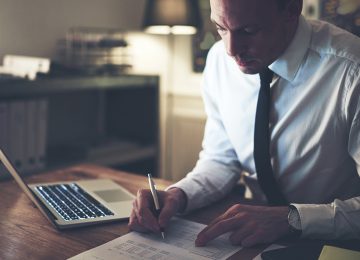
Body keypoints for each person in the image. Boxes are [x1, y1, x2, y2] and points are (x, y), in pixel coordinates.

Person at [129, 0, 360, 247]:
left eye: (248, 31)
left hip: (338, 244)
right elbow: (221, 160)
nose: (231, 49)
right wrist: (179, 194)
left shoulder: (351, 70)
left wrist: (292, 219)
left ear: (292, 9)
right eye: (221, 28)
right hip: (253, 240)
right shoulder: (219, 60)